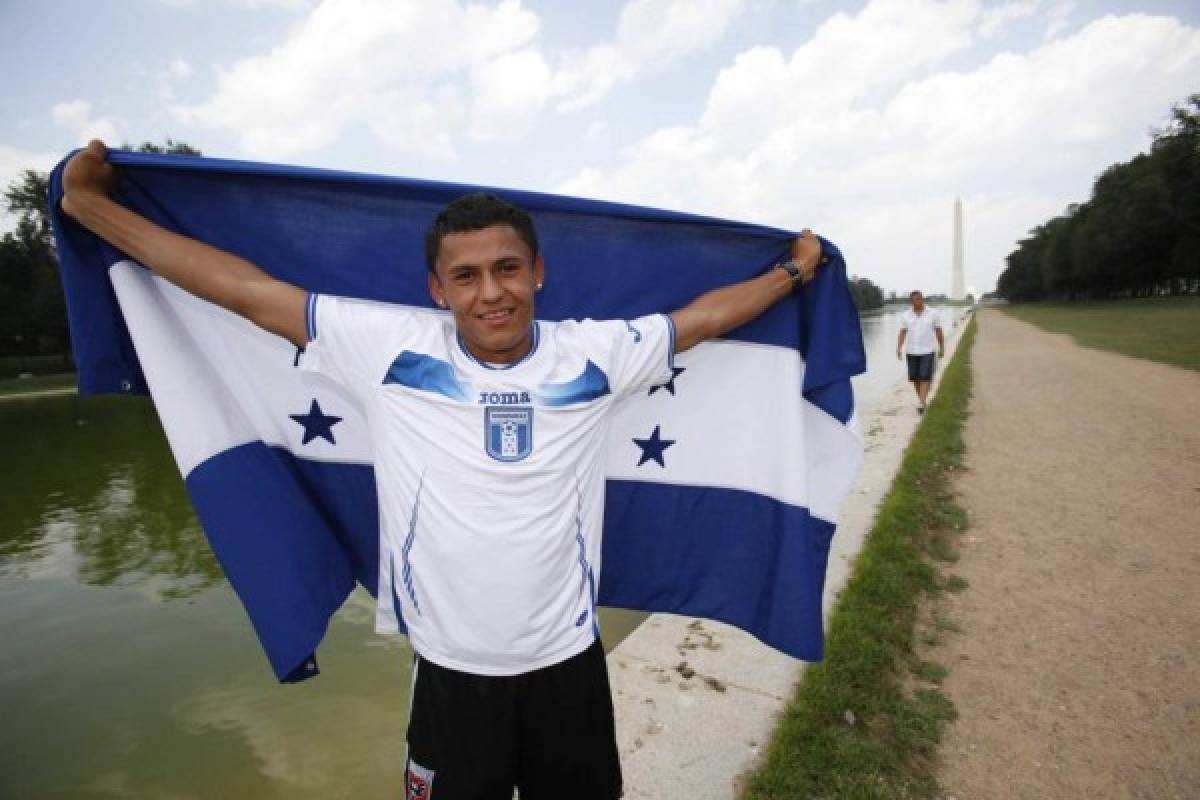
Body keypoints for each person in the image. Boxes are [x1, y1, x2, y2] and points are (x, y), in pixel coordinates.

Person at [60, 140, 826, 800]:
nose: (490, 292)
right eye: (466, 276)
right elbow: (245, 291)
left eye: (507, 269)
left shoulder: (597, 354)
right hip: (453, 675)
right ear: (438, 288)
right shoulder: (390, 348)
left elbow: (707, 318)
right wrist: (94, 210)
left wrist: (793, 274)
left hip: (570, 668)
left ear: (538, 273)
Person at [895, 289, 944, 414]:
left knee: (925, 377)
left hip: (927, 351)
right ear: (911, 302)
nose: (918, 301)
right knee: (915, 378)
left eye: (920, 298)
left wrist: (942, 347)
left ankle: (921, 402)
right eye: (915, 299)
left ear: (923, 299)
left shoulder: (933, 314)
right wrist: (899, 347)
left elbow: (938, 331)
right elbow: (902, 332)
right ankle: (922, 400)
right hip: (911, 351)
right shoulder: (905, 316)